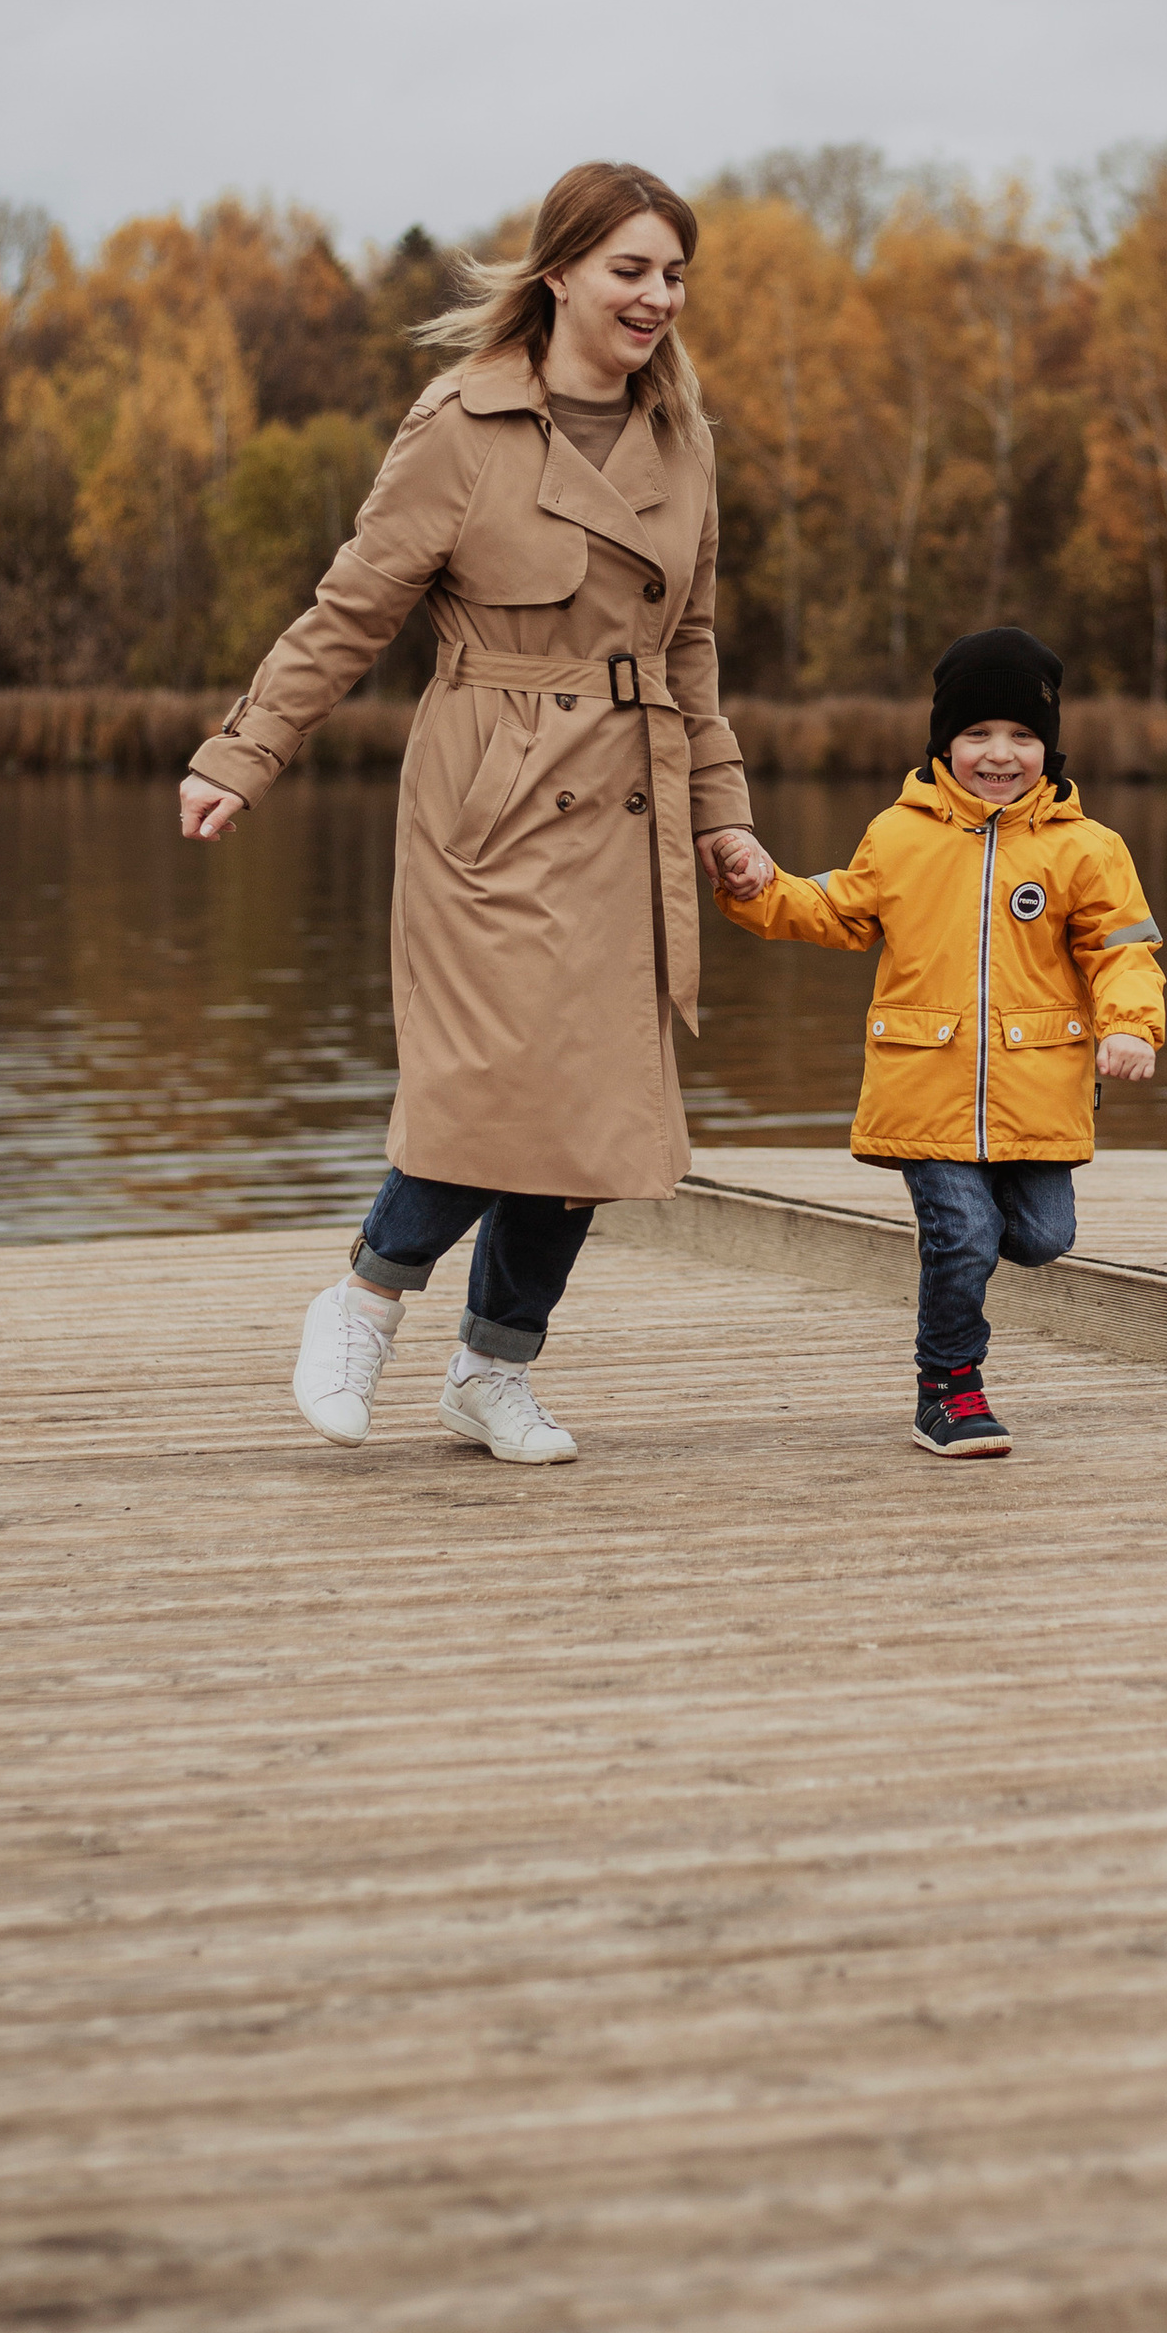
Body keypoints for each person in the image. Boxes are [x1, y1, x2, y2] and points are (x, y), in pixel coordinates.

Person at [177, 162, 772, 1464]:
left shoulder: (684, 440)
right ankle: (367, 1298)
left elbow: (694, 648)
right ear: (558, 272)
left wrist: (723, 812)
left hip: (630, 805)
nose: (657, 297)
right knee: (493, 1083)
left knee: (593, 1117)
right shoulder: (462, 424)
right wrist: (245, 752)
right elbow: (352, 610)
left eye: (675, 274)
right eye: (631, 269)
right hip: (490, 803)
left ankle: (493, 1370)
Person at [712, 625, 1163, 1458]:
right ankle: (949, 1389)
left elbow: (1123, 951)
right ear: (945, 742)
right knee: (964, 1234)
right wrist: (760, 887)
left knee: (1041, 1238)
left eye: (1023, 735)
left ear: (1049, 747)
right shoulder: (900, 834)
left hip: (1037, 1093)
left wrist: (1130, 1025)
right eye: (978, 734)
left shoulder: (1088, 849)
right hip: (926, 1086)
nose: (1001, 754)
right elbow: (837, 911)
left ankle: (961, 1243)